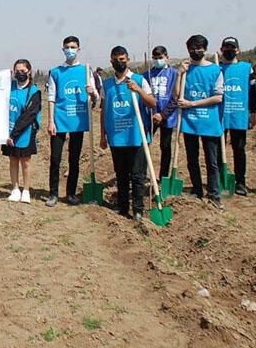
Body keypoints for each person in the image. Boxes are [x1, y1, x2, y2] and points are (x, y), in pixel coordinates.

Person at [99, 46, 156, 221]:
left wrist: (138, 90)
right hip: (117, 138)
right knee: (121, 176)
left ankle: (138, 209)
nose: (119, 62)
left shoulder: (139, 80)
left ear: (128, 60)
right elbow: (103, 110)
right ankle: (122, 207)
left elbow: (152, 103)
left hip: (136, 137)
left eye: (122, 59)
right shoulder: (107, 84)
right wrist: (103, 135)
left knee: (138, 176)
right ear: (111, 61)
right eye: (115, 59)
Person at [45, 36, 97, 207]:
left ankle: (71, 193)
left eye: (73, 47)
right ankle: (53, 193)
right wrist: (51, 121)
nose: (70, 50)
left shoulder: (86, 71)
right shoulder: (56, 72)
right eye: (67, 47)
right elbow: (51, 97)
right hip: (60, 120)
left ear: (79, 49)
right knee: (55, 159)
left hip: (78, 121)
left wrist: (92, 93)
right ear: (63, 49)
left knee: (73, 159)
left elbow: (95, 98)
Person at [177, 34, 225, 211]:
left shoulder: (215, 70)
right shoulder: (185, 70)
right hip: (190, 122)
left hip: (209, 122)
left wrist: (192, 104)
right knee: (192, 159)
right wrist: (179, 75)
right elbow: (176, 94)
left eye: (198, 48)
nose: (195, 51)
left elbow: (218, 97)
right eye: (191, 48)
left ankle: (214, 194)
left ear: (205, 49)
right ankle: (197, 190)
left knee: (211, 161)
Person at [218, 37, 256, 196]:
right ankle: (221, 179)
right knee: (219, 150)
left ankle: (241, 182)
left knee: (239, 149)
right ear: (221, 49)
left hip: (239, 115)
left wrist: (252, 113)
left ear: (238, 50)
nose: (229, 49)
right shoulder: (216, 69)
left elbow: (253, 93)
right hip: (220, 115)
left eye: (232, 47)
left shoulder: (247, 69)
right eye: (226, 47)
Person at [2, 59, 42, 204]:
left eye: (23, 71)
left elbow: (29, 116)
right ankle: (15, 188)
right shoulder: (9, 87)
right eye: (17, 71)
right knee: (13, 160)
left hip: (24, 132)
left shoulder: (34, 92)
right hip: (8, 131)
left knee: (25, 162)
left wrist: (14, 134)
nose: (20, 74)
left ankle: (26, 190)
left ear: (29, 72)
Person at [143, 46, 179, 180]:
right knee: (144, 143)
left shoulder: (174, 74)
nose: (158, 60)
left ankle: (163, 177)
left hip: (167, 116)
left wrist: (163, 115)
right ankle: (142, 173)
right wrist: (152, 113)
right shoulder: (147, 75)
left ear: (167, 57)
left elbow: (176, 97)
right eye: (155, 58)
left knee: (166, 146)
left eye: (161, 58)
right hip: (150, 115)